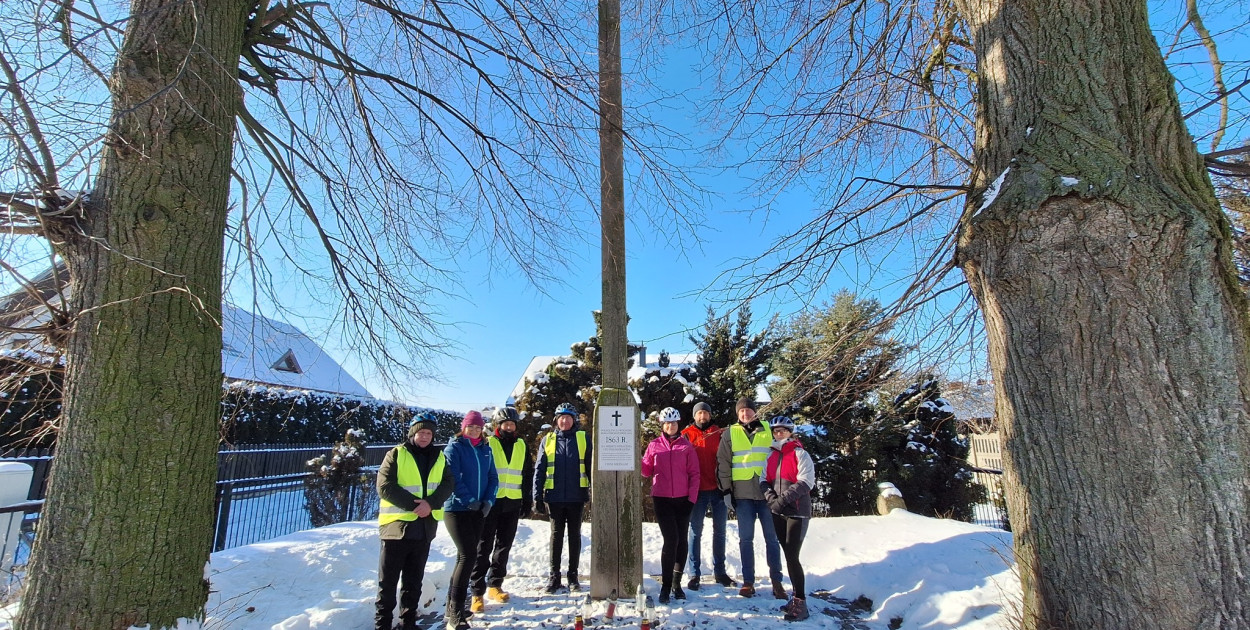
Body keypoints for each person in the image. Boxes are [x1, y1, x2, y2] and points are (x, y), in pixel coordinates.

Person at [375, 412, 454, 630]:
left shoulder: (439, 457)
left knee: (413, 581)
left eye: (428, 433)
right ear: (412, 433)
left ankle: (408, 623)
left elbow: (448, 483)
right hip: (396, 529)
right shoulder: (396, 454)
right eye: (421, 432)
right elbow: (384, 486)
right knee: (388, 583)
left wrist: (430, 503)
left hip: (424, 529)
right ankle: (382, 625)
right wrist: (416, 505)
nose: (425, 436)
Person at [716, 397, 784, 599]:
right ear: (737, 414)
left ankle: (777, 581)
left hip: (767, 494)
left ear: (755, 412)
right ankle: (748, 582)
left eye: (748, 410)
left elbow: (781, 457)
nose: (745, 414)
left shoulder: (768, 430)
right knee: (746, 540)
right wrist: (726, 491)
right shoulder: (730, 433)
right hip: (742, 495)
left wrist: (781, 488)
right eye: (741, 411)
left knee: (772, 539)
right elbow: (723, 463)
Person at [468, 407, 533, 612]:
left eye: (512, 424)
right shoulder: (489, 442)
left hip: (512, 501)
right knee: (483, 546)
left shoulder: (521, 444)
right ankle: (477, 592)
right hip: (491, 502)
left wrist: (527, 500)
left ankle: (495, 585)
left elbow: (527, 473)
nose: (509, 427)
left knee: (504, 546)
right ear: (499, 425)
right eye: (506, 424)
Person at [441, 411, 499, 630]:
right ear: (463, 427)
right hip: (457, 509)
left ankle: (451, 606)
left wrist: (488, 501)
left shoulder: (485, 449)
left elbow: (493, 477)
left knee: (463, 557)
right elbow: (453, 478)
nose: (474, 431)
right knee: (468, 556)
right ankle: (456, 613)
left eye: (478, 427)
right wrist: (469, 500)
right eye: (471, 427)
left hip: (479, 510)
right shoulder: (454, 448)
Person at [641, 407, 700, 603]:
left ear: (678, 424)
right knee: (671, 539)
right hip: (662, 499)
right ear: (662, 425)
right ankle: (665, 586)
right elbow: (646, 471)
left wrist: (691, 499)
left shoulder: (686, 446)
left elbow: (694, 474)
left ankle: (676, 583)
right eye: (667, 423)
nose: (670, 426)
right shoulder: (654, 445)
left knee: (681, 540)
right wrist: (639, 459)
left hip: (683, 499)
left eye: (673, 423)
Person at [533, 402, 593, 593]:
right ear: (556, 420)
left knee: (574, 536)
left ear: (574, 420)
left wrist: (594, 494)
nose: (564, 421)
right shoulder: (548, 439)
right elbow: (540, 469)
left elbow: (591, 467)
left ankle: (573, 575)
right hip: (555, 497)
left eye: (568, 417)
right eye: (561, 418)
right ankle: (554, 576)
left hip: (576, 496)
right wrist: (537, 496)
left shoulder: (583, 438)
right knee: (556, 536)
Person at [761, 416, 814, 621]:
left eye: (783, 430)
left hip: (797, 511)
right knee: (788, 554)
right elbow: (763, 480)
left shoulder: (800, 453)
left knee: (793, 556)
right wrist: (771, 499)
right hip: (778, 511)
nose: (779, 433)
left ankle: (801, 602)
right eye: (776, 431)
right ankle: (795, 598)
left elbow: (806, 481)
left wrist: (781, 500)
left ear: (790, 432)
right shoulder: (771, 454)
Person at [681, 401, 735, 590]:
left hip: (718, 490)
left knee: (720, 531)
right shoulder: (686, 434)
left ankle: (720, 572)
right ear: (694, 415)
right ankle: (694, 573)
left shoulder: (719, 433)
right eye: (699, 413)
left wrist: (727, 486)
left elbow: (728, 459)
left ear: (710, 415)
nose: (702, 416)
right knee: (695, 531)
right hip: (696, 491)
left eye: (705, 413)